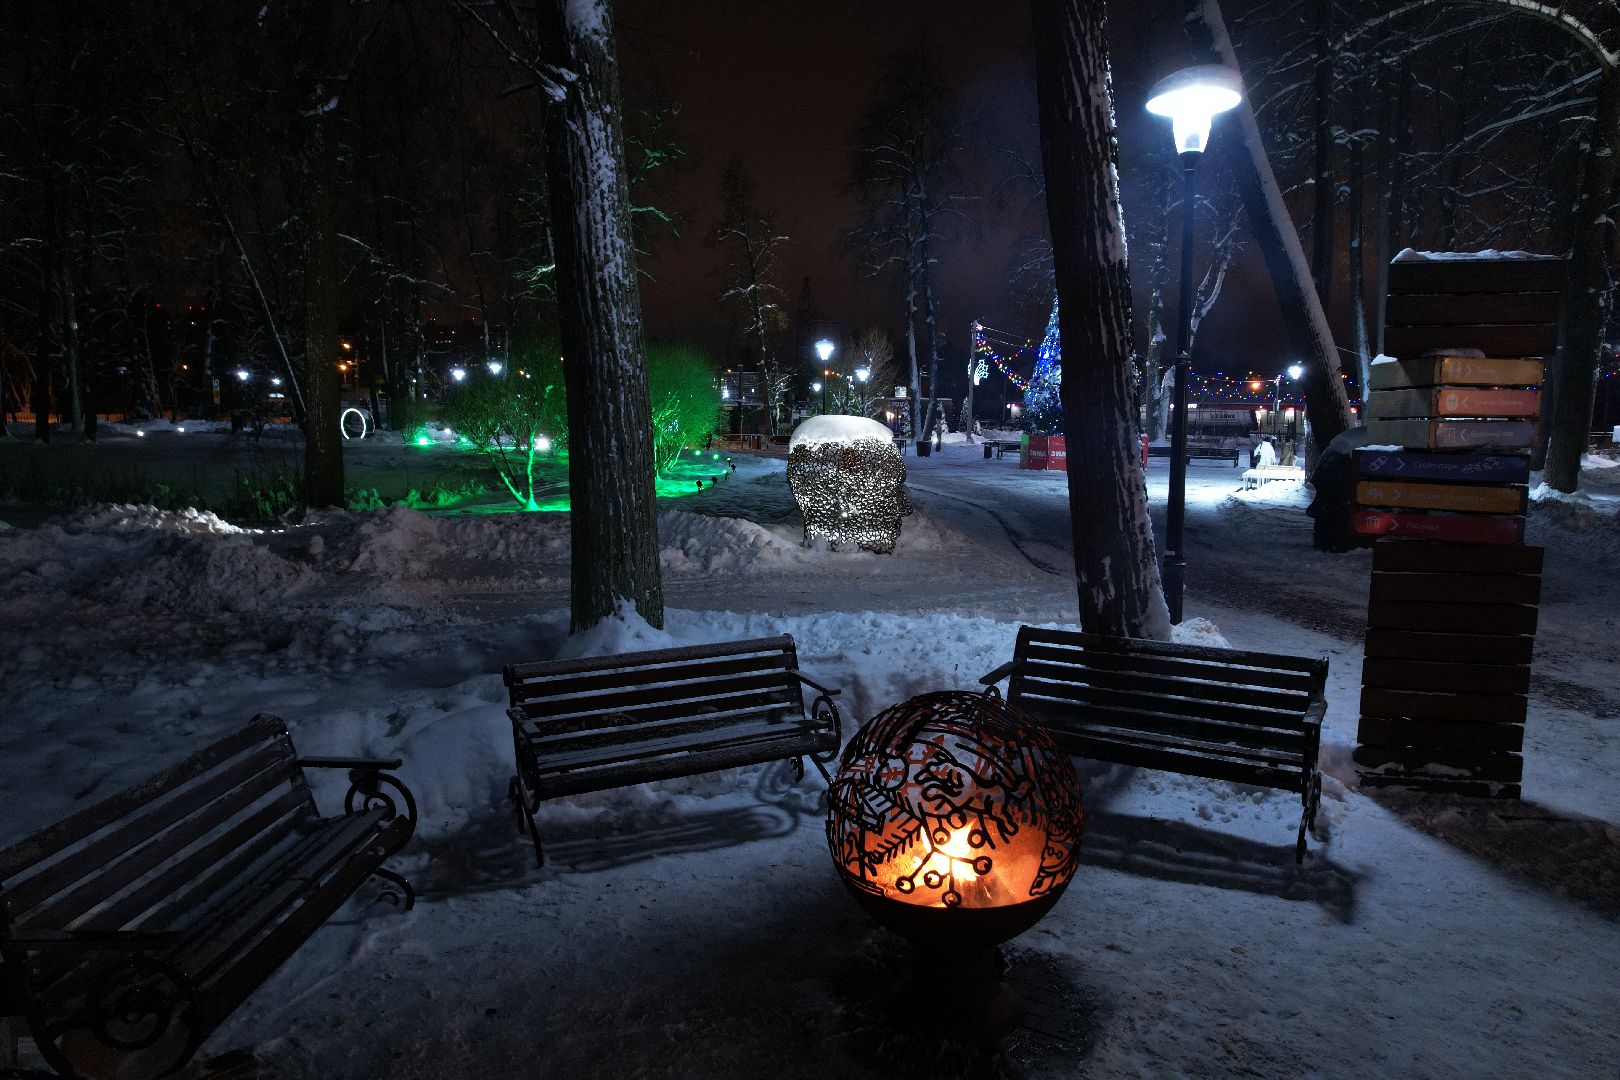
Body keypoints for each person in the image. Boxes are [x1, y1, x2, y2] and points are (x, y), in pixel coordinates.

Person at [1307, 426, 1372, 552]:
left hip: (1330, 491)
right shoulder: (1352, 449)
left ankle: (1325, 543)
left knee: (1327, 517)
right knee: (1336, 517)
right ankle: (1333, 544)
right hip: (1336, 494)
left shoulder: (1343, 443)